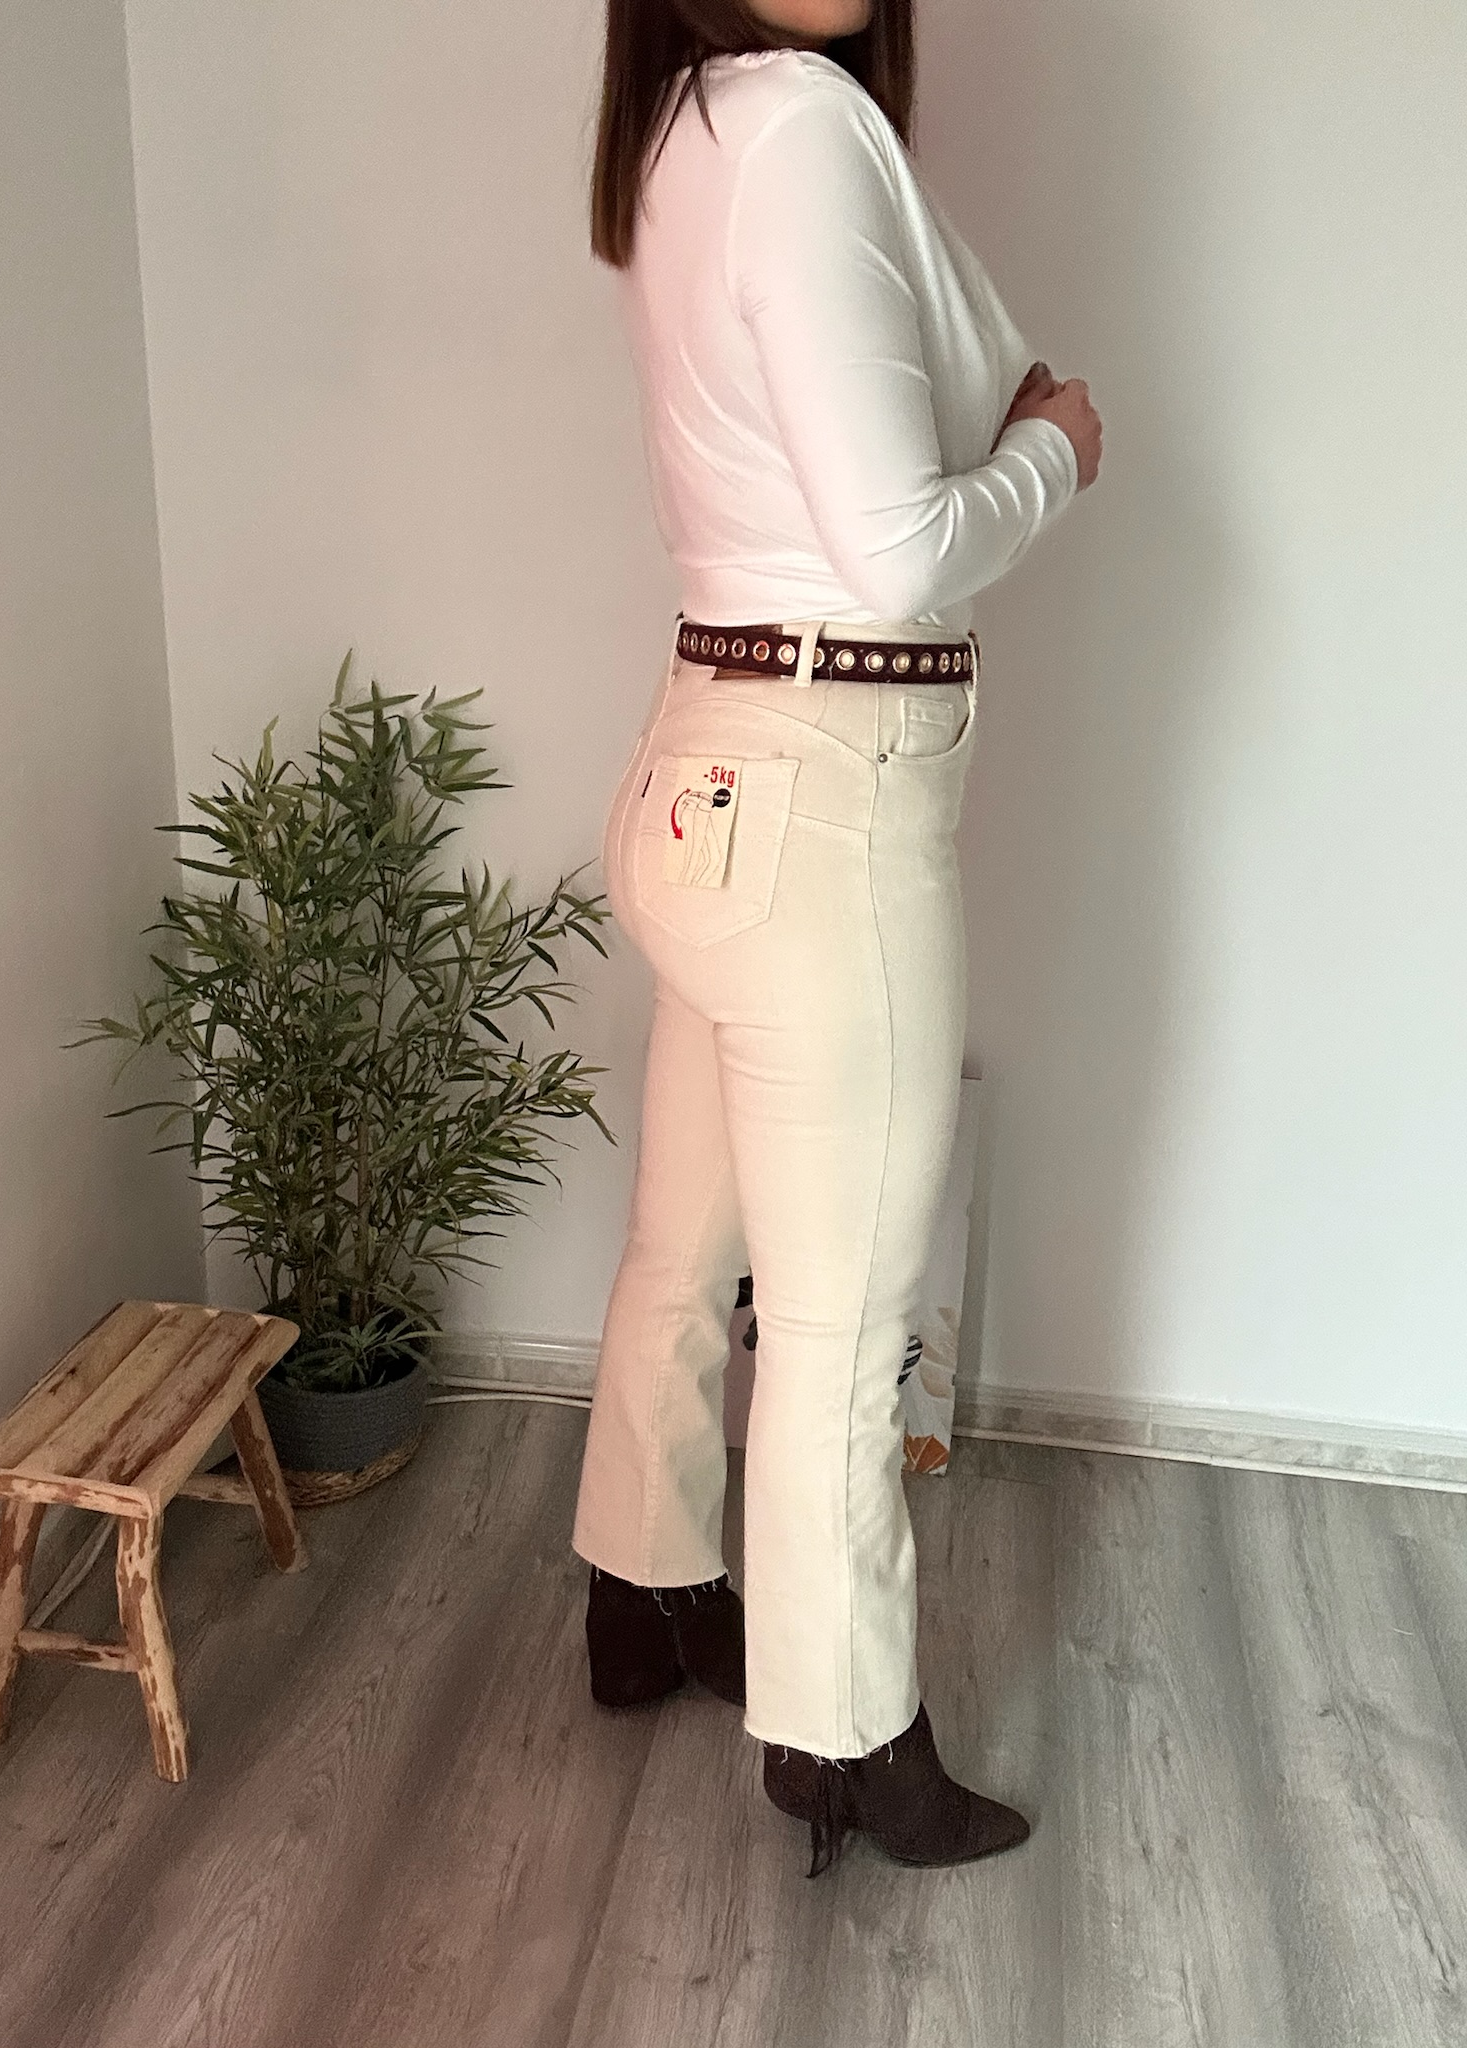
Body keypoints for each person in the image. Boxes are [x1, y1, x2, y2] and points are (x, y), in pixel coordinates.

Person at [570, 0, 1103, 1878]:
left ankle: (643, 1593)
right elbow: (899, 551)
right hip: (825, 797)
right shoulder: (800, 122)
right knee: (842, 1320)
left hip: (701, 767)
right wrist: (1056, 453)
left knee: (682, 1245)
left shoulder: (680, 124)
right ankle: (848, 1738)